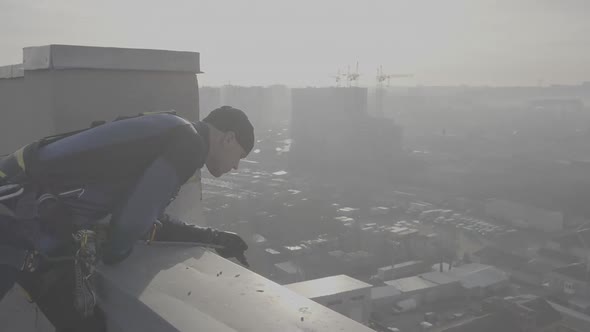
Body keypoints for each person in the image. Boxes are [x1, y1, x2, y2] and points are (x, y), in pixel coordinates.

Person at [0, 106, 254, 331]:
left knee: (83, 324)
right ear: (228, 138)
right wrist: (111, 251)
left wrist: (214, 237)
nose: (236, 167)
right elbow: (131, 225)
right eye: (240, 157)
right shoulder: (189, 143)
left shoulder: (173, 130)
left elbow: (147, 219)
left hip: (33, 226)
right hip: (15, 214)